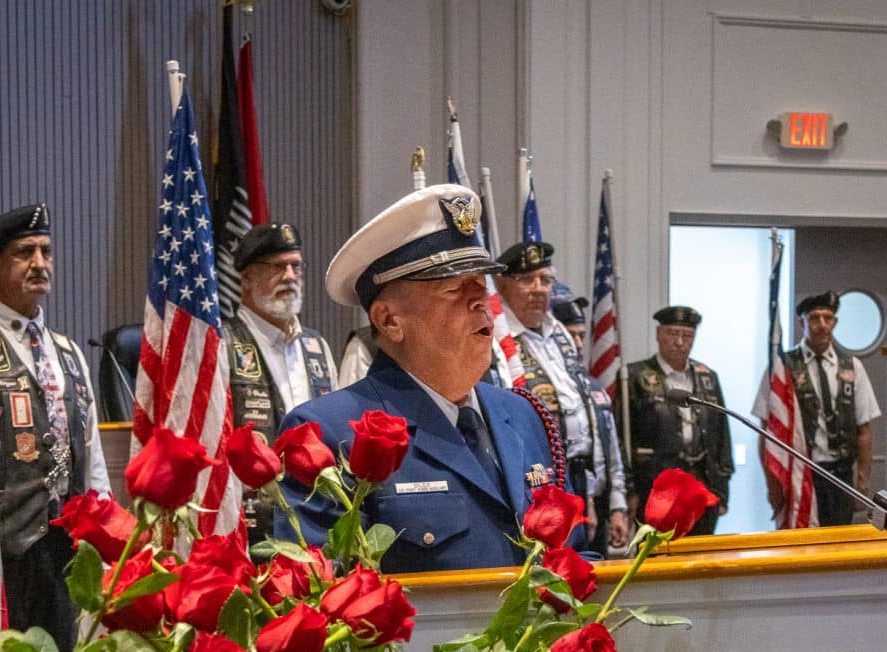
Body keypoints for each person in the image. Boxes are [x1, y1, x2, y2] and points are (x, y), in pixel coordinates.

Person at [275, 184, 581, 573]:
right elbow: (323, 598)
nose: (481, 302)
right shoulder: (328, 433)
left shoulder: (522, 415)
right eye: (454, 288)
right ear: (389, 320)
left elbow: (574, 556)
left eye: (482, 285)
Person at [0, 204, 108, 652]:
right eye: (24, 252)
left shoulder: (67, 352)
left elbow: (92, 454)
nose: (39, 264)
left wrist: (102, 533)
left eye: (46, 251)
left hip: (64, 545)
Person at [492, 241, 629, 551]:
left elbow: (594, 418)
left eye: (545, 279)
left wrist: (605, 499)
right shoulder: (499, 343)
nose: (539, 289)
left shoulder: (560, 334)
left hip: (583, 481)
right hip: (541, 487)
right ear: (501, 285)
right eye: (526, 280)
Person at [226, 222, 339, 539]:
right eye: (277, 267)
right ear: (247, 278)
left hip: (316, 518)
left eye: (296, 266)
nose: (290, 277)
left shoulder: (316, 347)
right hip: (252, 526)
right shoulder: (223, 345)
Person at [752, 290, 880, 526]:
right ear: (802, 323)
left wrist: (862, 483)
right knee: (802, 549)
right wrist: (772, 486)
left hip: (841, 477)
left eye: (828, 318)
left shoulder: (852, 367)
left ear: (835, 322)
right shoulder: (784, 368)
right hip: (800, 476)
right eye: (815, 318)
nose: (822, 325)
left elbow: (864, 430)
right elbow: (766, 432)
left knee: (839, 546)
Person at [627, 306, 732, 535]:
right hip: (656, 487)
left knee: (700, 558)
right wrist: (629, 490)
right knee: (657, 558)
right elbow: (622, 437)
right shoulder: (635, 376)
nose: (679, 342)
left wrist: (722, 490)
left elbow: (722, 434)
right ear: (658, 334)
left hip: (702, 487)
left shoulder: (707, 378)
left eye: (687, 336)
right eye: (672, 334)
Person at [551, 291, 630, 551]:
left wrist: (618, 507)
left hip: (600, 504)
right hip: (565, 510)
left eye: (582, 336)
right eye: (570, 335)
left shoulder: (592, 387)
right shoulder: (551, 390)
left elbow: (612, 453)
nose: (577, 344)